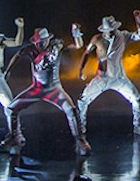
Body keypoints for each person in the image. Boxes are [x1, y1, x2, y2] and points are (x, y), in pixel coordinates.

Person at [8, 27, 90, 156]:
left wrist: (76, 33)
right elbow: (17, 55)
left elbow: (78, 45)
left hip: (54, 89)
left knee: (71, 110)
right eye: (39, 42)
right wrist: (8, 71)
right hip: (36, 89)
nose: (41, 44)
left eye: (44, 41)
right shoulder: (30, 50)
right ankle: (15, 137)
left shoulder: (56, 47)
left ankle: (80, 140)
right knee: (11, 109)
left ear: (48, 40)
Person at [76, 11, 140, 137]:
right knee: (83, 100)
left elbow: (139, 35)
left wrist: (139, 21)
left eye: (112, 30)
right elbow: (86, 53)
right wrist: (81, 70)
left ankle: (138, 125)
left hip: (119, 78)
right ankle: (81, 126)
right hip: (101, 78)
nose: (110, 33)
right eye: (108, 31)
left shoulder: (123, 36)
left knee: (136, 99)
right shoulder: (97, 39)